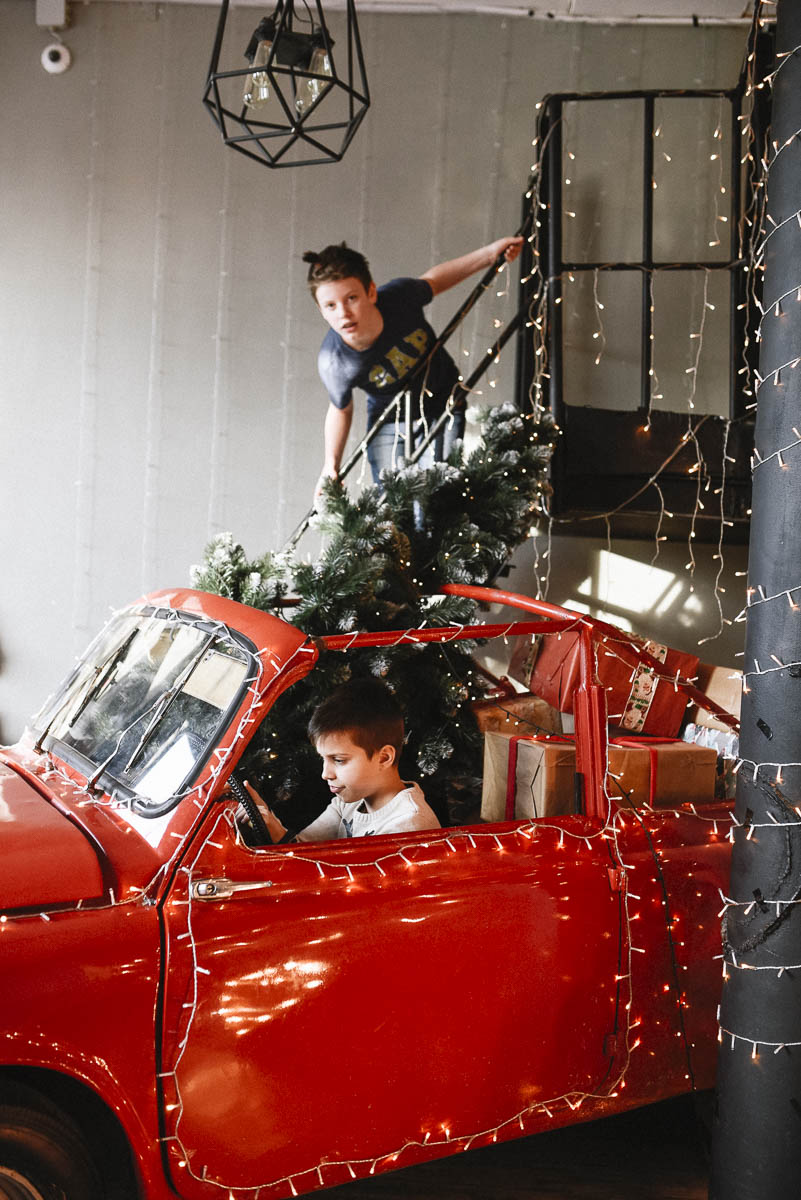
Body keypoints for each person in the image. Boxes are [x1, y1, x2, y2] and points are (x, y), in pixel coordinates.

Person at [302, 236, 524, 498]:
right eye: (330, 306)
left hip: (443, 400)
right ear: (321, 310)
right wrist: (330, 465)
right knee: (392, 500)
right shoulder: (334, 361)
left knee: (436, 493)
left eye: (351, 298)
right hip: (389, 417)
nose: (343, 313)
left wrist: (490, 254)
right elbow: (340, 409)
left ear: (371, 292)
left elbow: (436, 280)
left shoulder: (399, 298)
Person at [242, 678, 440, 842]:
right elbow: (302, 849)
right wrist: (266, 820)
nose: (325, 774)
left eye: (338, 760)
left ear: (384, 758)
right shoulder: (347, 803)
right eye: (323, 758)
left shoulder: (408, 827)